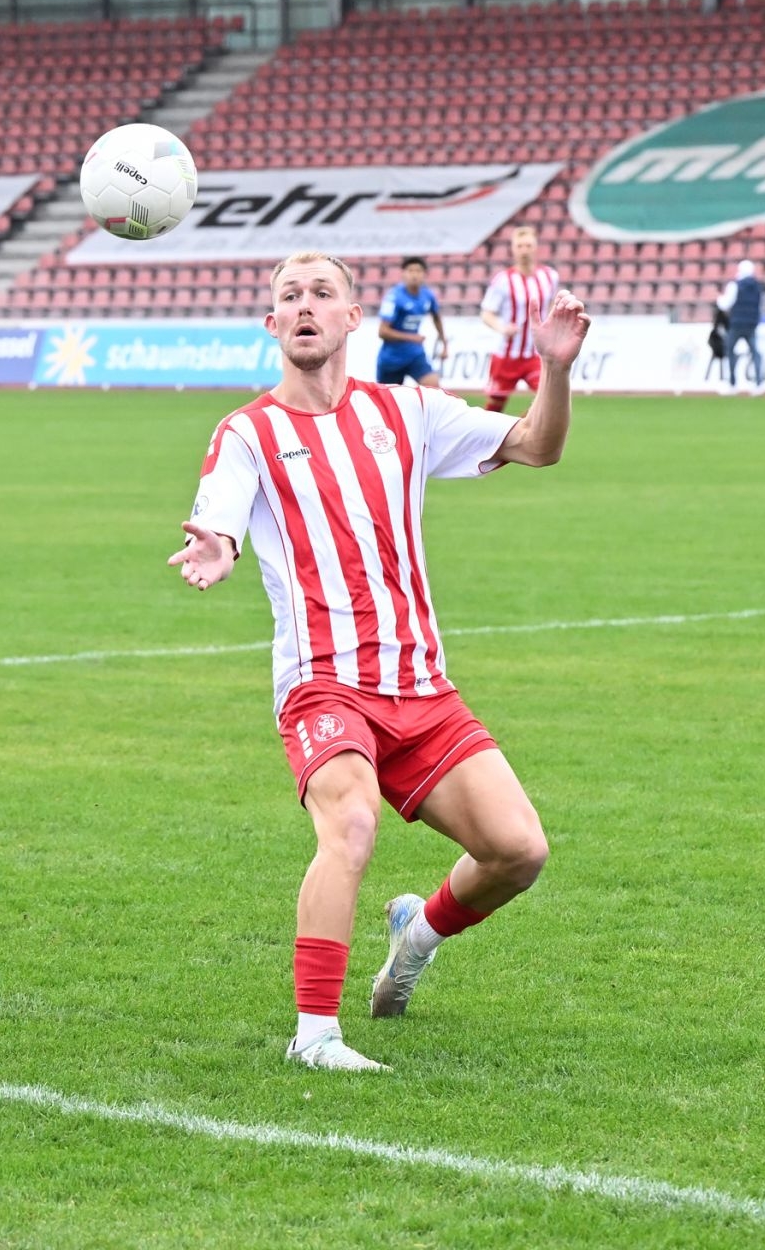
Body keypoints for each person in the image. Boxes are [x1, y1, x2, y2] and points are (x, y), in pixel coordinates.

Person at [169, 251, 589, 1071]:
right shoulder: (249, 433)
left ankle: (417, 933)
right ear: (271, 324)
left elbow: (537, 445)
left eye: (322, 293)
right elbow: (217, 517)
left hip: (420, 686)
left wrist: (556, 369)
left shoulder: (408, 411)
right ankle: (315, 1035)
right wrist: (216, 547)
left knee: (519, 851)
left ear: (352, 317)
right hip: (323, 684)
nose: (305, 306)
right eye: (290, 296)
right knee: (352, 824)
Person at [478, 226, 561, 413]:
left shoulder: (549, 276)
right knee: (494, 407)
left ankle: (523, 426)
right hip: (507, 355)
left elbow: (550, 305)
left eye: (528, 245)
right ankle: (502, 432)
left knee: (549, 398)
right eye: (520, 246)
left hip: (535, 354)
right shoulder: (503, 280)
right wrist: (502, 328)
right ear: (513, 249)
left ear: (536, 247)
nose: (524, 250)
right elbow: (487, 314)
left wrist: (551, 326)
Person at [375, 256, 448, 388]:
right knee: (389, 398)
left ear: (424, 274)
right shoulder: (394, 297)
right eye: (410, 271)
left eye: (418, 271)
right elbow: (383, 332)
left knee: (434, 388)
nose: (414, 275)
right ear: (403, 274)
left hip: (415, 355)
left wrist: (444, 345)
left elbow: (437, 317)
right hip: (392, 359)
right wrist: (412, 337)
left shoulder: (428, 295)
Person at [715, 259, 764, 393]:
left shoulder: (735, 285)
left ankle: (732, 383)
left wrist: (718, 298)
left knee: (730, 351)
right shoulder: (758, 287)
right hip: (751, 324)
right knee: (755, 353)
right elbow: (761, 306)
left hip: (736, 324)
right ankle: (759, 383)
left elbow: (725, 304)